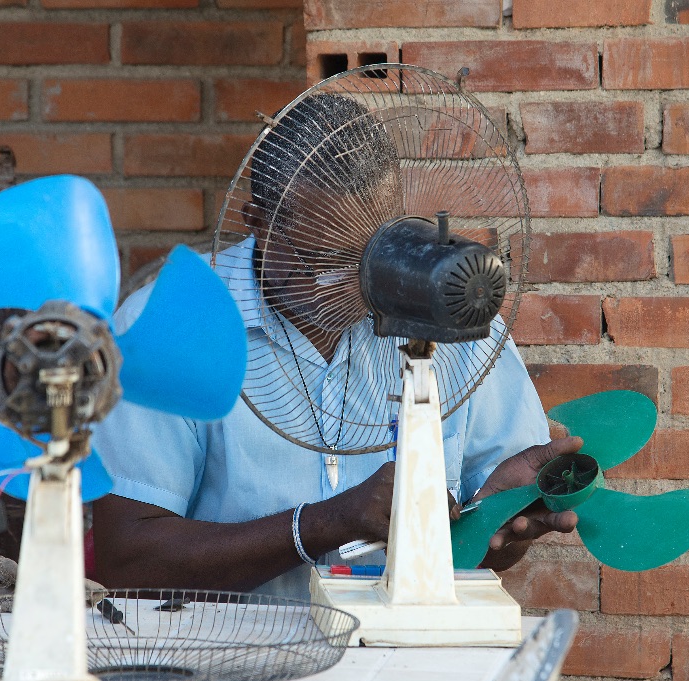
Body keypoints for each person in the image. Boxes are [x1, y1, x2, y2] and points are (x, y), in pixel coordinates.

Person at [90, 94, 580, 598]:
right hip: (233, 656)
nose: (363, 283)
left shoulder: (449, 317)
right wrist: (327, 523)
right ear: (260, 224)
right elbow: (129, 559)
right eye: (328, 262)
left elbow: (488, 551)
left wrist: (497, 518)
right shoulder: (174, 327)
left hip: (409, 654)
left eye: (376, 253)